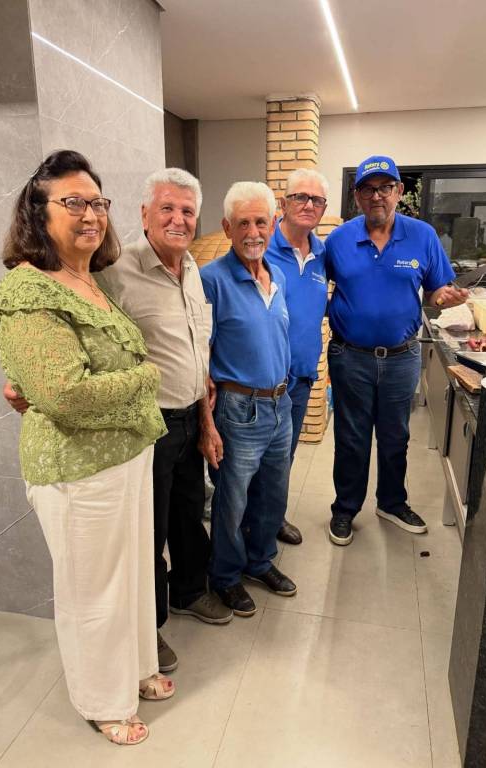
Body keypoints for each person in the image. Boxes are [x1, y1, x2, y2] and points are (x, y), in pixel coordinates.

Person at [6, 168, 232, 674]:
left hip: (191, 416)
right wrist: (26, 381)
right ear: (144, 214)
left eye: (187, 211)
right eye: (167, 208)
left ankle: (190, 592)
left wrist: (206, 420)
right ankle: (149, 629)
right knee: (148, 533)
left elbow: (198, 351)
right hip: (145, 425)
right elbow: (72, 334)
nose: (178, 219)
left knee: (188, 515)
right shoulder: (113, 269)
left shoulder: (193, 269)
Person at [0, 150, 172, 746]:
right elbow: (64, 395)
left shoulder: (88, 280)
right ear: (37, 213)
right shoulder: (28, 289)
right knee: (93, 591)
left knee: (132, 578)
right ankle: (102, 700)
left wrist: (126, 383)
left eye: (97, 202)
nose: (91, 214)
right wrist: (147, 377)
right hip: (75, 468)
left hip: (124, 457)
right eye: (73, 202)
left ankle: (137, 669)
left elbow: (76, 379)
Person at [325, 155, 468, 546]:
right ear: (357, 196)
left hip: (402, 357)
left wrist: (445, 296)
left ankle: (391, 502)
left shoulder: (422, 236)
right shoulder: (338, 240)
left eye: (385, 188)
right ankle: (345, 508)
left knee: (395, 437)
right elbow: (314, 284)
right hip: (350, 357)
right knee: (351, 439)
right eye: (368, 189)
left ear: (399, 192)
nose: (377, 196)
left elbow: (435, 291)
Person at [200, 181, 296, 617]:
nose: (253, 232)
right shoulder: (211, 281)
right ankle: (225, 576)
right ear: (227, 228)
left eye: (261, 222)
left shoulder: (277, 277)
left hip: (280, 405)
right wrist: (206, 422)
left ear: (274, 224)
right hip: (238, 410)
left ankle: (259, 562)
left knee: (273, 494)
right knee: (232, 500)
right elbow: (200, 356)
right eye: (243, 223)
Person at [265, 168, 329, 545]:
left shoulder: (322, 255)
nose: (308, 205)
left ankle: (273, 519)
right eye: (300, 197)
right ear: (283, 202)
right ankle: (246, 531)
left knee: (284, 457)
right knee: (253, 462)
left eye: (316, 200)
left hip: (301, 378)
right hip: (260, 383)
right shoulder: (261, 248)